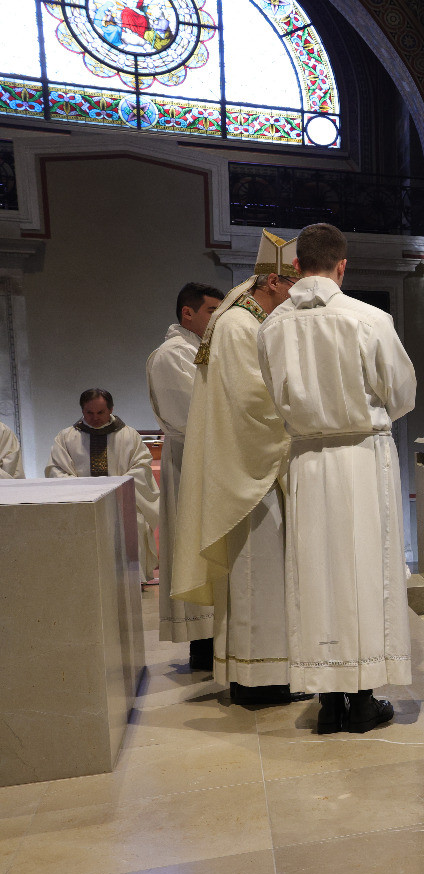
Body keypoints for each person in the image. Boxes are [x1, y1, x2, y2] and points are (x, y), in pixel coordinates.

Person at [257, 222, 415, 734]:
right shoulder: (367, 319)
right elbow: (402, 394)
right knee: (364, 572)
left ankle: (327, 700)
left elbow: (272, 392)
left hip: (306, 459)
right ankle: (363, 699)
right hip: (361, 458)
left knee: (317, 574)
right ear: (342, 266)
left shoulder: (272, 325)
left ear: (296, 265)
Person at [170, 231, 300, 705]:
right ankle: (259, 681)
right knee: (257, 576)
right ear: (271, 281)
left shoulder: (242, 319)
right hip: (252, 474)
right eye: (291, 286)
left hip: (252, 468)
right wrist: (299, 420)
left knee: (262, 577)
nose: (295, 297)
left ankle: (262, 674)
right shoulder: (242, 326)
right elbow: (252, 401)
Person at [146, 281, 223, 662]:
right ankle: (203, 646)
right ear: (187, 313)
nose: (218, 318)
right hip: (191, 461)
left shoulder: (199, 350)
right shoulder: (173, 355)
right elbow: (198, 413)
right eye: (212, 310)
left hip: (210, 461)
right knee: (195, 550)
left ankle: (214, 640)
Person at [48, 388, 160, 579]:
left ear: (111, 409)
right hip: (82, 505)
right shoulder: (66, 438)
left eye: (100, 412)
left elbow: (142, 466)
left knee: (135, 526)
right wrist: (85, 490)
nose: (95, 418)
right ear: (82, 411)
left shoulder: (129, 436)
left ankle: (132, 583)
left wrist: (116, 486)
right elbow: (56, 470)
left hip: (122, 503)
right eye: (89, 413)